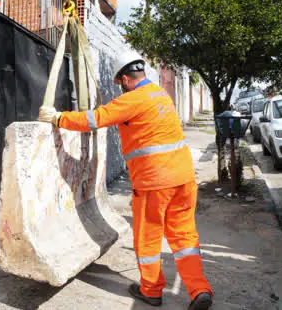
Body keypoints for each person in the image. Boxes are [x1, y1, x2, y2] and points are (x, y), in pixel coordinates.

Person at [38, 50, 213, 310]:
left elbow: (94, 119)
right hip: (184, 178)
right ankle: (199, 290)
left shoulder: (132, 100)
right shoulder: (160, 94)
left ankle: (151, 290)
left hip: (155, 182)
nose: (121, 89)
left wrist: (57, 118)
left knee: (148, 239)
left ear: (125, 80)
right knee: (185, 237)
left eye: (120, 84)